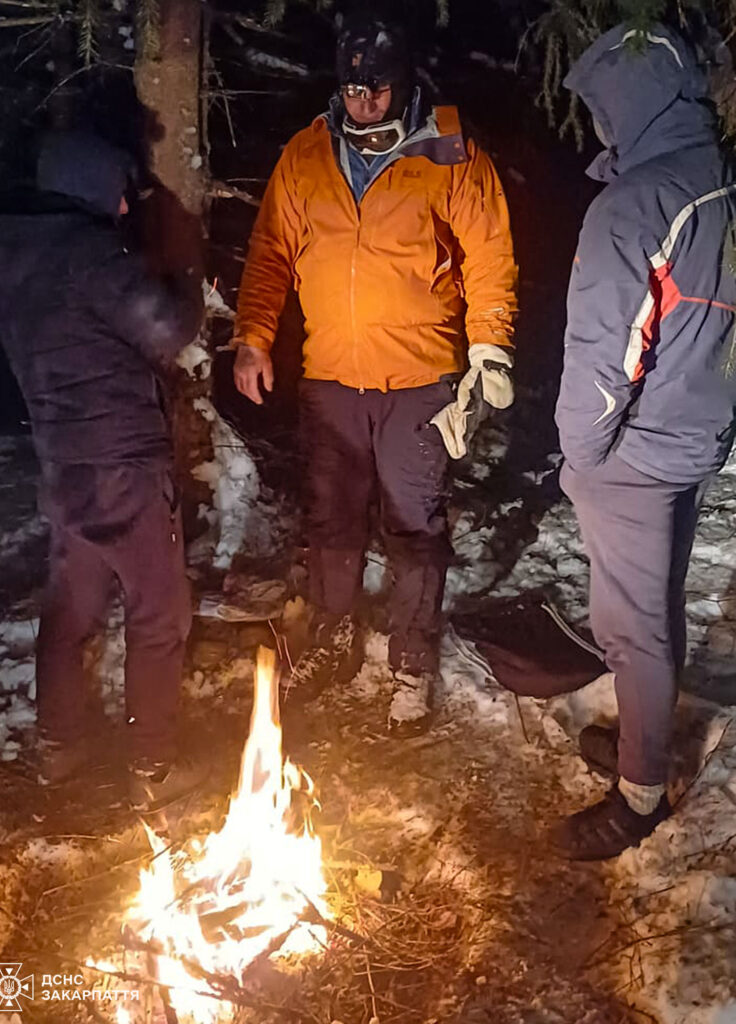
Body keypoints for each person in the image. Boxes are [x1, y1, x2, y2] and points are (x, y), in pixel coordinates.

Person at [233, 15, 517, 733]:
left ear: (404, 81)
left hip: (420, 377)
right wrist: (253, 338)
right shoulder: (307, 153)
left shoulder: (448, 149)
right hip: (331, 376)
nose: (364, 102)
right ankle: (332, 637)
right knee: (331, 519)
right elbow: (270, 252)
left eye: (378, 88)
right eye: (353, 88)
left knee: (414, 524)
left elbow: (489, 253)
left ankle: (411, 664)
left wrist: (489, 347)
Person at [0, 130, 206, 809]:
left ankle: (59, 746)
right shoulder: (89, 256)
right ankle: (153, 770)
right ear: (91, 190)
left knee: (71, 608)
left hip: (63, 464)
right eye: (120, 196)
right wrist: (185, 270)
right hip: (123, 467)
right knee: (159, 613)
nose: (127, 209)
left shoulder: (9, 256)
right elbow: (168, 328)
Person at [554, 24, 736, 859]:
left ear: (631, 104)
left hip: (635, 451)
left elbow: (604, 351)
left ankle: (638, 797)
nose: (600, 126)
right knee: (655, 611)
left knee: (634, 628)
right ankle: (644, 744)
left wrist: (583, 455)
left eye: (603, 108)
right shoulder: (719, 186)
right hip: (695, 437)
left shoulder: (638, 204)